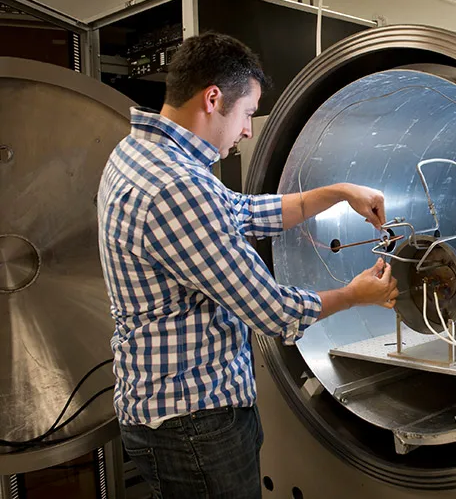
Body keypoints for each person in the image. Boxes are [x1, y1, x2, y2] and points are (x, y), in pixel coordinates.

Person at [96, 32, 398, 498]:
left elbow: (239, 212)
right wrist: (357, 296)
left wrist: (339, 192)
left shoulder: (140, 155)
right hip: (195, 423)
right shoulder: (176, 188)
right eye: (248, 114)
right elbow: (272, 310)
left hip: (170, 413)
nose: (247, 132)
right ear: (213, 98)